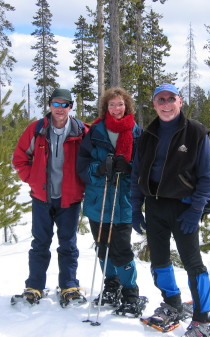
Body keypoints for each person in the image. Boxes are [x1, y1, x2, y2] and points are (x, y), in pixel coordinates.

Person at [131, 83, 210, 336]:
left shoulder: (196, 133)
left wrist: (195, 210)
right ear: (154, 104)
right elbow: (137, 172)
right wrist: (136, 207)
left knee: (193, 263)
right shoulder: (147, 135)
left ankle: (204, 317)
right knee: (159, 261)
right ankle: (172, 303)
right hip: (155, 206)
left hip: (184, 208)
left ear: (180, 101)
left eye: (171, 99)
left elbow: (207, 177)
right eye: (160, 100)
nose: (166, 104)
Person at [12, 88, 89, 307]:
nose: (60, 109)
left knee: (68, 244)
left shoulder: (81, 130)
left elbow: (94, 156)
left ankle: (69, 286)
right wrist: (33, 179)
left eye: (65, 104)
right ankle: (34, 286)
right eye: (56, 104)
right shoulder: (36, 130)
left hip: (69, 199)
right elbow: (19, 158)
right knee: (40, 243)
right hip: (42, 198)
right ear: (49, 106)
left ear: (70, 107)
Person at [76, 87, 145, 316]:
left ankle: (130, 292)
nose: (117, 109)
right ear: (106, 107)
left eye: (121, 104)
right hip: (99, 198)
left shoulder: (136, 133)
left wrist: (130, 167)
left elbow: (145, 166)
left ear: (127, 106)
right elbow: (82, 166)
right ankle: (111, 284)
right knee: (103, 247)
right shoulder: (95, 132)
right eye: (112, 104)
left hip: (123, 200)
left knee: (121, 250)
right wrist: (100, 167)